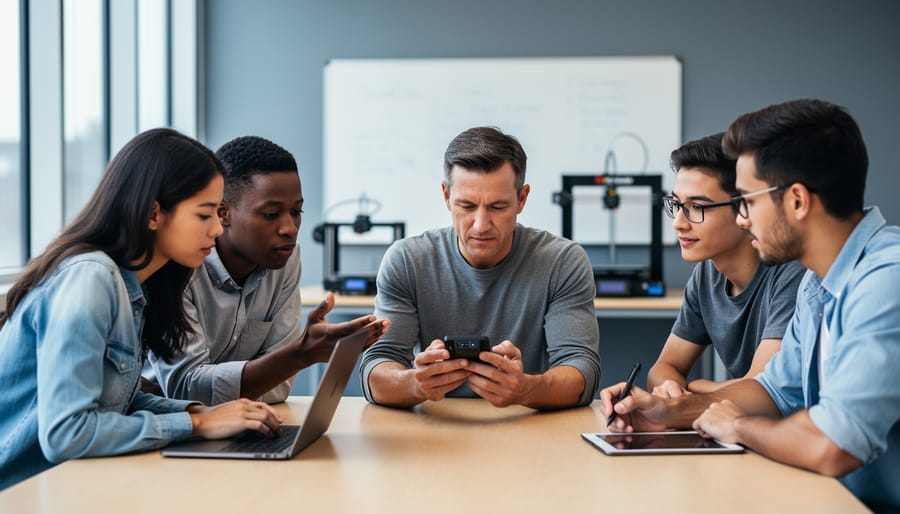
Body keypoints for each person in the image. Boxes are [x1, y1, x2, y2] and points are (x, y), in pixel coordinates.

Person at [600, 99, 900, 512]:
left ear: (796, 200)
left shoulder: (886, 280)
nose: (741, 219)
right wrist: (667, 412)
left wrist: (739, 426)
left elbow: (834, 445)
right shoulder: (820, 280)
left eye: (748, 201)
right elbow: (773, 391)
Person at [0, 128, 283, 491]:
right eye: (204, 215)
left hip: (65, 486)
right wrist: (197, 427)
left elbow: (115, 401)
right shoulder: (91, 279)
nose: (217, 229)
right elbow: (66, 433)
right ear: (153, 213)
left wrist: (199, 413)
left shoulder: (134, 284)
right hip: (20, 493)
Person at [361, 126, 601, 409]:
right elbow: (374, 369)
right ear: (446, 196)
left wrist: (526, 390)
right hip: (433, 432)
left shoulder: (562, 262)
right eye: (467, 205)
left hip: (526, 428)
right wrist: (416, 383)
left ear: (522, 199)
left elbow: (582, 370)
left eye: (498, 207)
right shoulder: (407, 261)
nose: (481, 225)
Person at [144, 135, 389, 405]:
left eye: (297, 211)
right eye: (271, 215)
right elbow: (184, 391)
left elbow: (280, 387)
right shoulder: (180, 266)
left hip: (240, 421)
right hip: (164, 421)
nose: (290, 229)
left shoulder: (285, 258)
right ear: (223, 213)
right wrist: (298, 355)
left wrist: (288, 360)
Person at [648, 134, 805, 398]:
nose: (678, 222)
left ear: (744, 206)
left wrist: (699, 389)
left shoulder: (792, 270)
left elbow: (762, 389)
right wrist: (672, 391)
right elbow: (663, 368)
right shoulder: (707, 273)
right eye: (676, 204)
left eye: (696, 207)